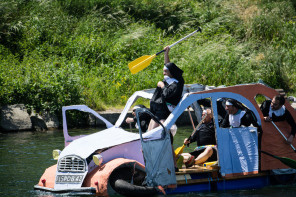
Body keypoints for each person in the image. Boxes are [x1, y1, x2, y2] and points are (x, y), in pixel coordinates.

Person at [148, 46, 185, 131]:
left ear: (171, 72)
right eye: (163, 71)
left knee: (158, 131)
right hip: (158, 110)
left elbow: (167, 94)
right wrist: (166, 53)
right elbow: (167, 65)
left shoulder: (178, 82)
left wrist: (162, 85)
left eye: (165, 71)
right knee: (150, 130)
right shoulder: (168, 78)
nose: (163, 73)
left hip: (166, 111)